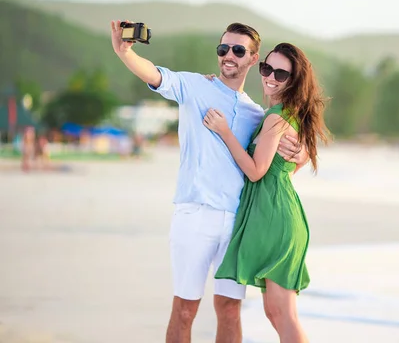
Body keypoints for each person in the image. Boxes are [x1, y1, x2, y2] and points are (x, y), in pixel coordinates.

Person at [110, 21, 309, 343]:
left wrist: (302, 156)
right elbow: (154, 74)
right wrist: (125, 53)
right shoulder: (193, 86)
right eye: (223, 48)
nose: (228, 55)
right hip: (195, 214)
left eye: (238, 50)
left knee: (230, 308)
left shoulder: (258, 114)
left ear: (252, 58)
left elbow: (282, 157)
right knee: (185, 309)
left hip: (239, 222)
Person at [203, 42, 331, 343]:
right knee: (277, 312)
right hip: (278, 214)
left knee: (281, 313)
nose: (270, 77)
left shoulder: (276, 116)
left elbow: (256, 171)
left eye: (281, 73)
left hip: (275, 219)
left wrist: (224, 132)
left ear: (294, 80)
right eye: (266, 68)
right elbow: (286, 168)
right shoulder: (282, 113)